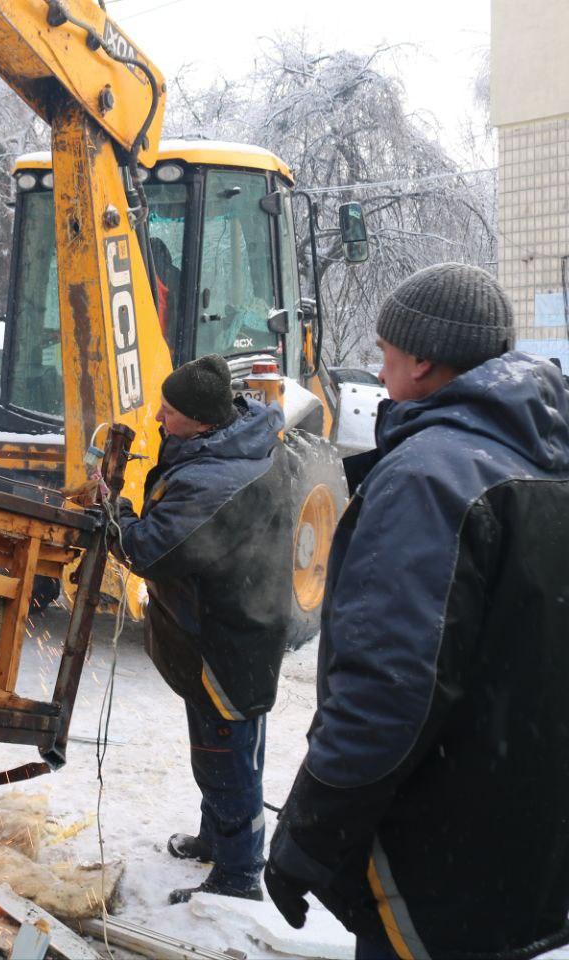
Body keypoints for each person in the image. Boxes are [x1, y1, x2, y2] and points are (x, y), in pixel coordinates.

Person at [265, 263, 569, 958]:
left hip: (438, 866)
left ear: (422, 359)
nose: (379, 366)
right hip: (530, 860)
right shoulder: (549, 462)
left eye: (384, 351)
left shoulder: (428, 478)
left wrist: (306, 836)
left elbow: (387, 695)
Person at [110, 354, 292, 904]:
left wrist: (116, 510)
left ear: (203, 420)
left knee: (227, 753)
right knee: (215, 745)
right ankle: (217, 838)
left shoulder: (219, 480)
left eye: (170, 411)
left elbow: (151, 548)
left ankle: (238, 875)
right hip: (220, 621)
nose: (160, 418)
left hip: (231, 635)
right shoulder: (226, 441)